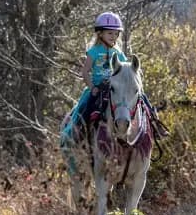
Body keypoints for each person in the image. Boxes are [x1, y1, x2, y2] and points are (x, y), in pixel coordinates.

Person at [62, 11, 166, 140]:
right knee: (86, 106)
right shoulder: (93, 52)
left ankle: (155, 124)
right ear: (100, 33)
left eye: (116, 33)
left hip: (115, 87)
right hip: (98, 87)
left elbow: (126, 69)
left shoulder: (118, 52)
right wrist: (92, 87)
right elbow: (85, 72)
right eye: (109, 33)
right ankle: (78, 130)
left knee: (141, 96)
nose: (113, 36)